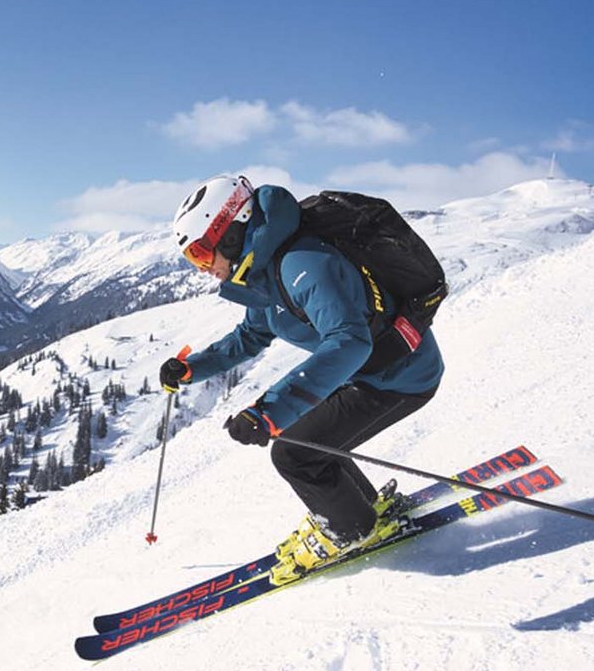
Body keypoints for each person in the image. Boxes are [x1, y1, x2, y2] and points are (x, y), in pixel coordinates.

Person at [160, 174, 445, 583]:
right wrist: (192, 369)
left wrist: (270, 412)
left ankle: (349, 529)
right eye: (194, 260)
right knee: (312, 440)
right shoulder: (263, 269)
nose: (205, 268)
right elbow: (251, 335)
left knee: (294, 453)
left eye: (203, 254)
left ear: (231, 231)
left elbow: (349, 342)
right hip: (366, 372)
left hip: (399, 376)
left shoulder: (304, 265)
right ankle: (363, 512)